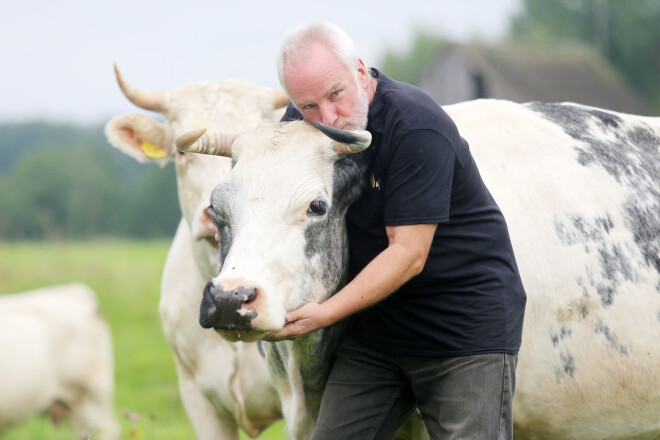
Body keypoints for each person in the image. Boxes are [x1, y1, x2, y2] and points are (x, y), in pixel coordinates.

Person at [266, 21, 527, 440]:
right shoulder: (302, 124)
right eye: (308, 106)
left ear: (361, 70)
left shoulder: (415, 125)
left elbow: (408, 253)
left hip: (462, 329)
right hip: (378, 330)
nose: (328, 118)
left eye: (336, 94)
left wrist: (324, 313)